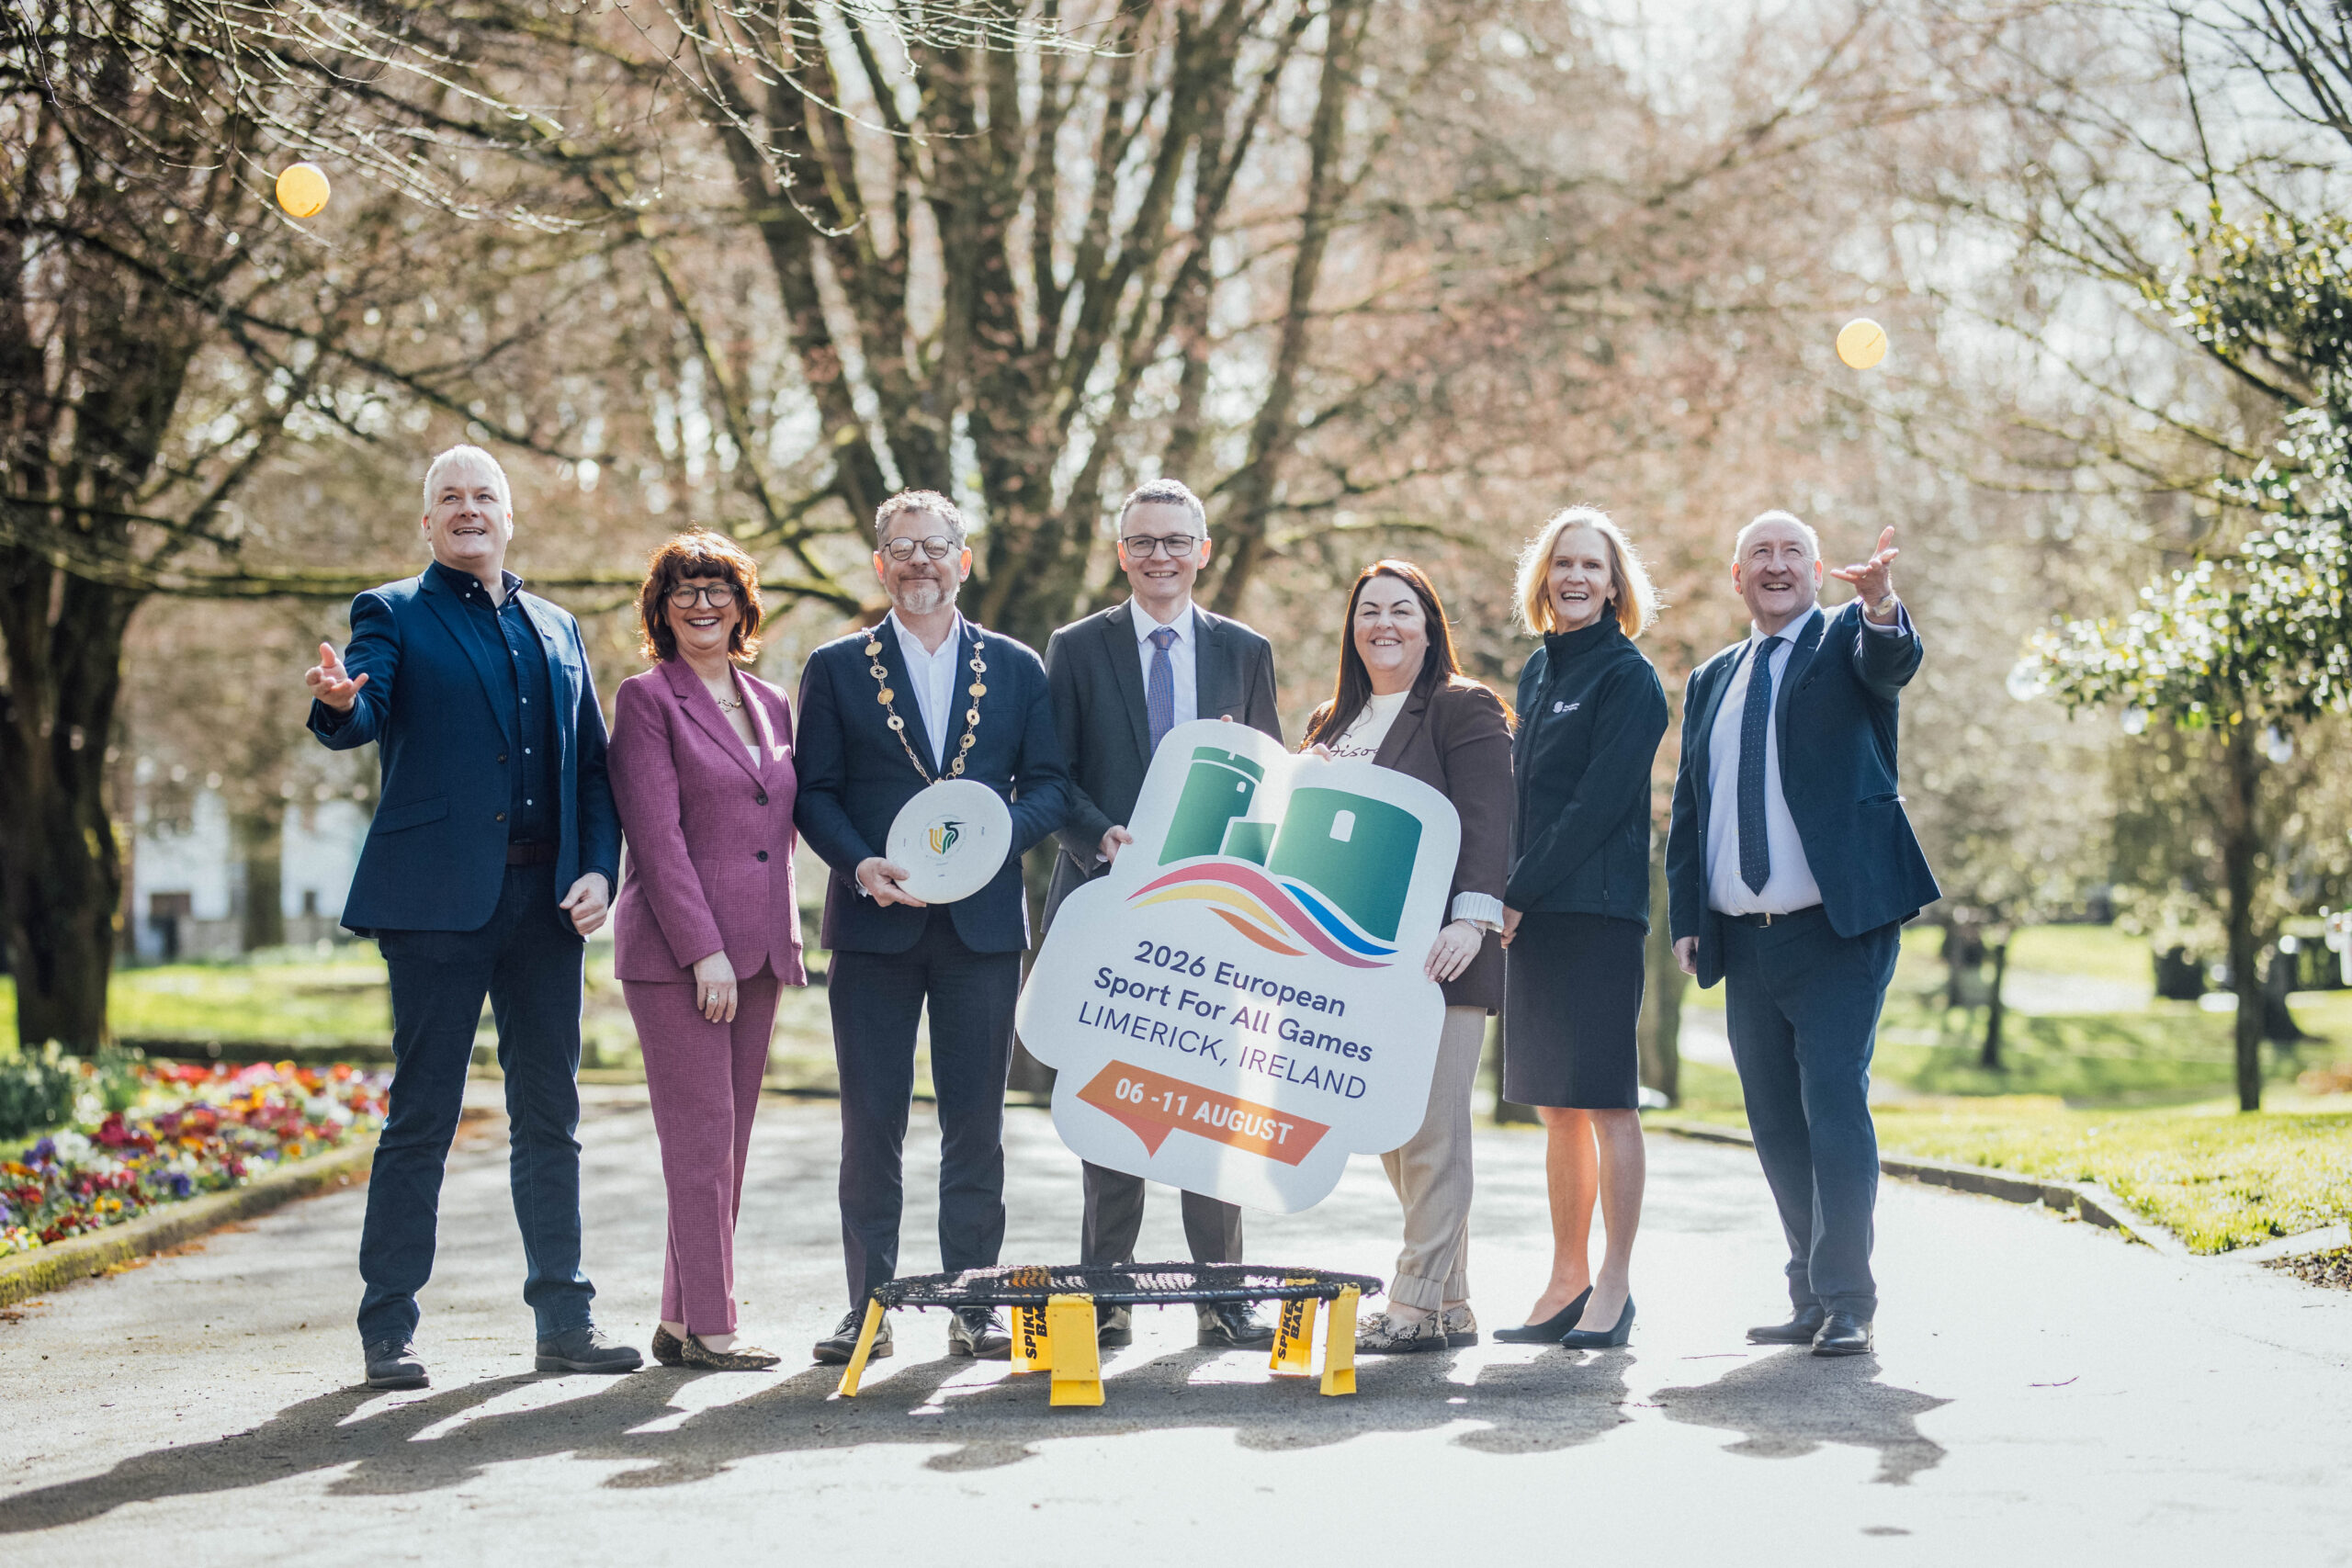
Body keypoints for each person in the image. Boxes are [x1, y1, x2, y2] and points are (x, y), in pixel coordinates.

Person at [303, 445, 639, 1389]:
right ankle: (388, 1327)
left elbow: (592, 768)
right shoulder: (390, 613)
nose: (468, 509)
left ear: (508, 515)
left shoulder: (559, 626)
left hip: (547, 907)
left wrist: (598, 870)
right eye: (449, 497)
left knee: (552, 1115)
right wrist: (339, 704)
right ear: (427, 522)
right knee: (422, 1116)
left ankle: (565, 1320)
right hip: (435, 909)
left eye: (483, 495)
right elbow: (361, 706)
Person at [793, 491, 1070, 1366]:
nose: (921, 561)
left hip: (981, 932)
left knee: (975, 1126)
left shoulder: (1017, 666)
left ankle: (974, 1300)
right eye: (903, 548)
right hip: (874, 925)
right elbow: (813, 793)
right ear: (880, 564)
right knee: (871, 1125)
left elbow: (1050, 785)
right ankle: (868, 1307)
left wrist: (995, 842)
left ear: (964, 559)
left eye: (936, 546)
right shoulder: (837, 666)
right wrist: (857, 864)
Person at [1665, 512, 1937, 1358]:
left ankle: (1850, 1298)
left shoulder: (1847, 640)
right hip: (1743, 937)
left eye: (1793, 553)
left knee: (1833, 1101)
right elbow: (1692, 805)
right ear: (1736, 576)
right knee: (1776, 1120)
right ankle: (1809, 1294)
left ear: (1818, 572)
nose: (1776, 565)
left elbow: (1891, 660)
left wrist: (1882, 604)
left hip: (1837, 929)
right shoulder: (1712, 677)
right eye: (1760, 554)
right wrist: (1688, 917)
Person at [1042, 478, 1282, 1352]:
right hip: (1104, 903)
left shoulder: (1245, 650)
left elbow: (1270, 779)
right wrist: (1096, 836)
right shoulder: (1075, 648)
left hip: (1214, 918)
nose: (1160, 556)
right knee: (1112, 1100)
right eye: (1143, 541)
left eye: (1176, 540)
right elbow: (1051, 773)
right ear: (1121, 553)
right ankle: (1106, 1293)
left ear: (1203, 551)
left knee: (1213, 1103)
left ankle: (1223, 1296)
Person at [1295, 561, 1514, 1356]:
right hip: (1355, 964)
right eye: (1368, 611)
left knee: (1432, 1135)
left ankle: (1412, 1302)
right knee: (1394, 1131)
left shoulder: (1461, 706)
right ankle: (1451, 1303)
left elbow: (1490, 817)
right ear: (1351, 628)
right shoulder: (1329, 722)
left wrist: (1473, 921)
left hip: (1438, 957)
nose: (1383, 624)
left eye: (1400, 610)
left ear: (1428, 625)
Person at [607, 531, 805, 1371]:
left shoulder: (771, 702)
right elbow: (655, 839)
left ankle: (679, 1319)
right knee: (700, 1142)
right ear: (661, 608)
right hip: (679, 956)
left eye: (717, 588)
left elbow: (776, 827)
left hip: (760, 951)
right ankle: (717, 1329)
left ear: (741, 605)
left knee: (727, 1144)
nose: (701, 604)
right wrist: (703, 952)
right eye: (683, 590)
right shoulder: (647, 699)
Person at [1491, 508, 1668, 1350]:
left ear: (1614, 583)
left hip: (1595, 912)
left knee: (1606, 1102)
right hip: (1534, 913)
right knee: (1556, 1107)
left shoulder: (1631, 678)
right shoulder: (1537, 671)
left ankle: (1616, 1284)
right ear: (1544, 576)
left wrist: (1515, 891)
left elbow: (1597, 805)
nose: (1575, 577)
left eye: (1592, 565)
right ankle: (1567, 1278)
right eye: (1563, 563)